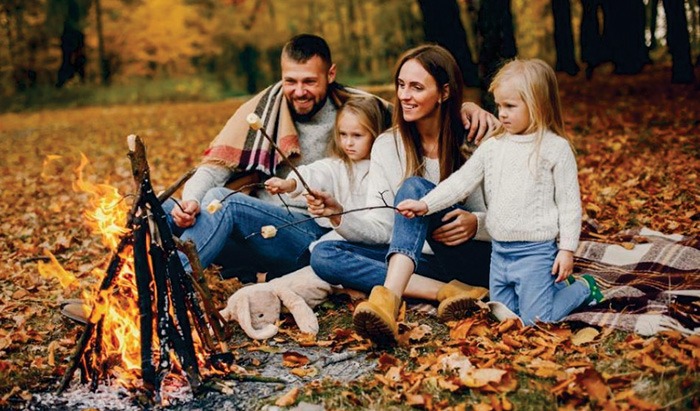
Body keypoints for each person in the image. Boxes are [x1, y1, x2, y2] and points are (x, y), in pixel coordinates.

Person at [169, 34, 496, 283]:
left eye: (309, 81)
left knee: (222, 201)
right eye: (291, 81)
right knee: (170, 208)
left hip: (314, 228)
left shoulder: (359, 110)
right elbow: (212, 169)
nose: (299, 91)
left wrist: (464, 110)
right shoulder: (262, 110)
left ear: (330, 74)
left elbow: (416, 110)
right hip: (271, 227)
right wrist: (190, 202)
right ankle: (146, 277)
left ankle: (172, 283)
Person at [308, 45, 494, 346]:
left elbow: (513, 215)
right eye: (401, 85)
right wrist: (338, 215)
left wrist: (477, 223)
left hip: (471, 255)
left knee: (414, 188)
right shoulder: (387, 145)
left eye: (417, 87)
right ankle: (448, 292)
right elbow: (384, 227)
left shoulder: (474, 139)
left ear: (444, 93)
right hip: (418, 261)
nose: (404, 95)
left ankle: (389, 300)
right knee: (324, 255)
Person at [397, 58, 604, 327]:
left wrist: (567, 250)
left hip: (535, 253)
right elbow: (461, 181)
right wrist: (425, 205)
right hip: (500, 252)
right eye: (498, 105)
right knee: (502, 317)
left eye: (510, 106)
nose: (501, 114)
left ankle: (583, 289)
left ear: (537, 105)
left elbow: (569, 205)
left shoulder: (554, 149)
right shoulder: (494, 146)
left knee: (536, 321)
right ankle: (548, 294)